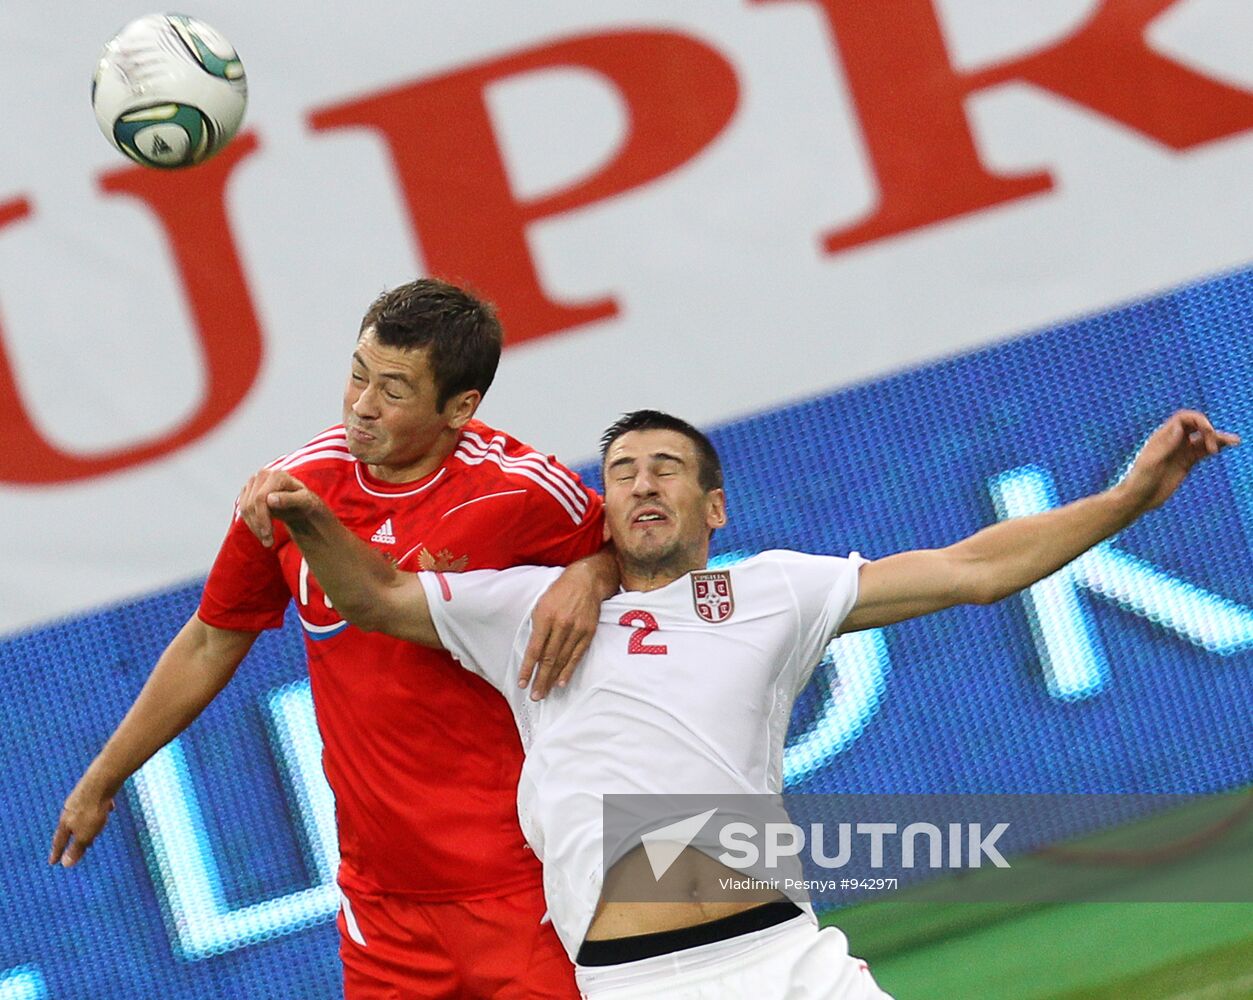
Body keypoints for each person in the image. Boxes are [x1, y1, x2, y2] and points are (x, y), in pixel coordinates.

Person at [239, 407, 1238, 998]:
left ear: (711, 507)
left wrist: (1126, 499)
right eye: (621, 470)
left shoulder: (771, 590)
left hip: (781, 958)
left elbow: (968, 570)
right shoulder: (522, 609)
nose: (640, 484)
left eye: (665, 468)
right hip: (633, 981)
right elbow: (371, 594)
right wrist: (306, 516)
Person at [50, 279, 619, 999]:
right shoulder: (296, 489)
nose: (361, 404)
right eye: (357, 373)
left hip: (524, 879)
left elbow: (644, 556)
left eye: (393, 389)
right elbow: (209, 641)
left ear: (460, 408)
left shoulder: (521, 489)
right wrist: (105, 777)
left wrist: (593, 573)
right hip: (381, 902)